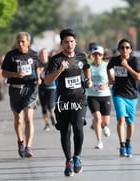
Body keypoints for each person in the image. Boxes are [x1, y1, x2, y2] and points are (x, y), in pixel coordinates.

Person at [44, 28, 92, 177]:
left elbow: (87, 68)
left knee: (78, 127)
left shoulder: (81, 56)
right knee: (65, 132)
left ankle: (77, 157)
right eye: (66, 42)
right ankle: (68, 160)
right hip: (63, 101)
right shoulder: (56, 60)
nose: (69, 44)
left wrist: (88, 80)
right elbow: (46, 81)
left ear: (75, 42)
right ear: (62, 44)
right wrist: (59, 70)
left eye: (72, 41)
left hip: (79, 99)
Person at [1, 31, 41, 158]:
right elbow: (4, 73)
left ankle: (28, 147)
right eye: (18, 41)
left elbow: (37, 67)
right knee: (18, 119)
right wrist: (15, 75)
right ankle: (20, 142)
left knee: (29, 118)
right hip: (15, 89)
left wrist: (39, 78)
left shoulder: (34, 55)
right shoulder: (11, 55)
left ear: (28, 42)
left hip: (30, 88)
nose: (20, 43)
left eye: (23, 41)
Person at [106, 38, 140, 158]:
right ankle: (121, 145)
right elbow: (108, 68)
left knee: (130, 123)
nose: (125, 50)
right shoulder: (114, 60)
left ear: (131, 50)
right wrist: (110, 78)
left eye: (127, 47)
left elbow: (138, 77)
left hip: (132, 95)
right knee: (121, 119)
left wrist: (127, 66)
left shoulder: (134, 61)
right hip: (118, 93)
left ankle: (128, 143)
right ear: (118, 49)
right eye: (122, 47)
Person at [87, 45, 111, 149]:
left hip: (105, 95)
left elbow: (112, 80)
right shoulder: (88, 67)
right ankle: (99, 141)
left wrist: (106, 85)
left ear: (102, 56)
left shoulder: (106, 66)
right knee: (97, 117)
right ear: (92, 55)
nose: (97, 56)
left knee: (105, 121)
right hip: (92, 96)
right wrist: (89, 82)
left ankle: (104, 126)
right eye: (95, 54)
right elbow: (86, 79)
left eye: (99, 55)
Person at [38, 48, 56, 131]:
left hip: (51, 87)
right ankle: (47, 124)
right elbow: (35, 76)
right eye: (41, 53)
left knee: (50, 105)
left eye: (44, 53)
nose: (43, 55)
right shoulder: (38, 64)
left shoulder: (51, 63)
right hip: (42, 87)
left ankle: (52, 115)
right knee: (43, 107)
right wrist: (38, 72)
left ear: (47, 54)